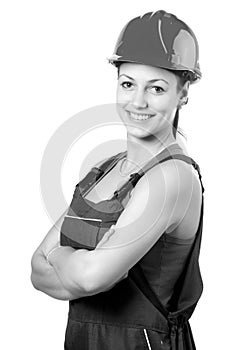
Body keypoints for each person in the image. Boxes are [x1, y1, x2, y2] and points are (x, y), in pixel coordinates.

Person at [31, 10, 205, 349]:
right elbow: (37, 270)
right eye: (128, 84)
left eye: (156, 88)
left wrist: (62, 258)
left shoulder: (171, 177)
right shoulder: (104, 169)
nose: (137, 101)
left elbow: (91, 276)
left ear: (183, 93)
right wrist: (80, 270)